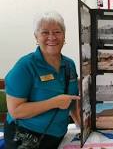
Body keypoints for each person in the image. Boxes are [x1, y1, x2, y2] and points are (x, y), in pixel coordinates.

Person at [4, 11, 80, 149]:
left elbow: (73, 101)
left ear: (64, 36)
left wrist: (82, 126)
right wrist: (54, 102)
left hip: (58, 137)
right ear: (36, 37)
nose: (52, 37)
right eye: (45, 32)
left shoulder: (70, 65)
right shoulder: (25, 66)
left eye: (57, 32)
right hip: (26, 138)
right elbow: (15, 111)